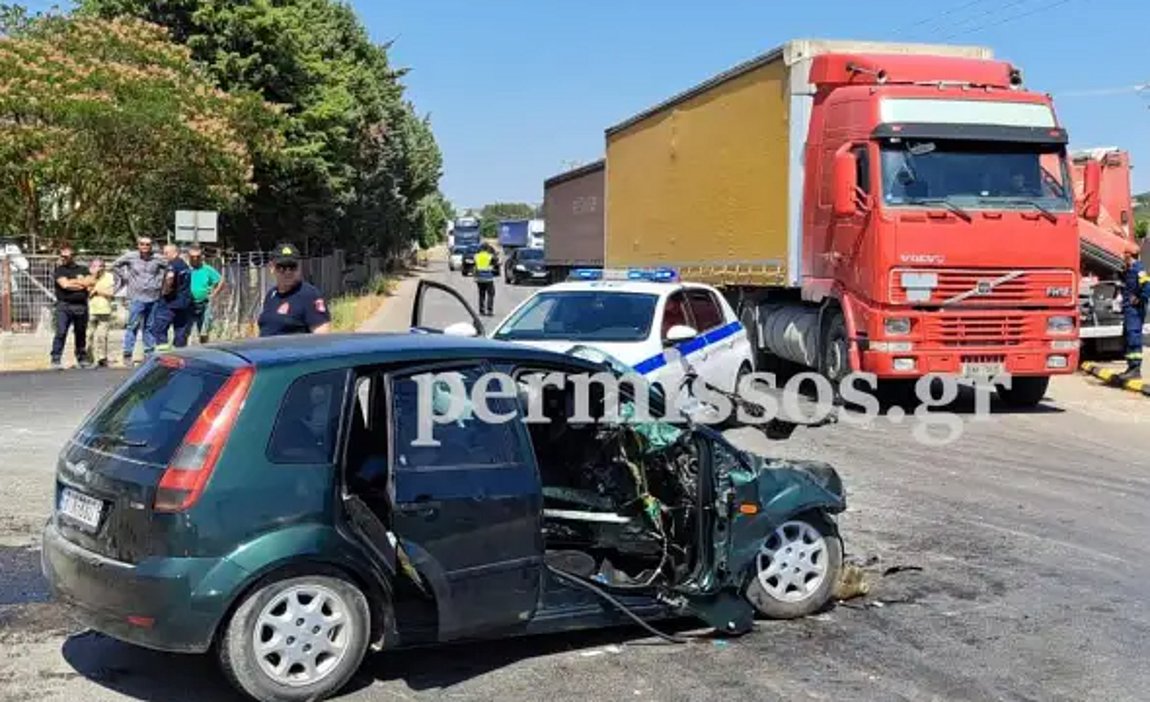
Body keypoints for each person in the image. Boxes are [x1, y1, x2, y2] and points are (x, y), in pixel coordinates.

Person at [112, 236, 168, 366]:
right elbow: (115, 265)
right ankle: (127, 353)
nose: (145, 247)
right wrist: (124, 277)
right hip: (136, 297)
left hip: (153, 297)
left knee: (149, 326)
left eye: (148, 244)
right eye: (142, 244)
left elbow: (170, 267)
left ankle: (149, 353)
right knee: (133, 325)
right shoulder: (131, 256)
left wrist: (160, 281)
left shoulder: (157, 258)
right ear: (138, 245)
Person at [257, 243, 332, 337]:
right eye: (282, 267)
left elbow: (322, 338)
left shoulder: (309, 295)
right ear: (272, 268)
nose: (288, 272)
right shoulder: (271, 295)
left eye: (292, 267)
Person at [50, 244, 92, 370]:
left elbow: (90, 283)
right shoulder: (59, 270)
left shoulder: (83, 269)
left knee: (80, 333)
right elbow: (65, 285)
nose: (64, 259)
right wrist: (80, 283)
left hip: (81, 306)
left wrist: (74, 282)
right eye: (62, 256)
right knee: (61, 332)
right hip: (64, 306)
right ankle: (56, 358)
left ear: (73, 256)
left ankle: (81, 358)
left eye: (67, 256)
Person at [152, 244, 194, 350]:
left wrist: (165, 291)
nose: (164, 255)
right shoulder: (185, 266)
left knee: (159, 329)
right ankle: (179, 354)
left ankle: (164, 354)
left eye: (166, 253)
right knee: (180, 332)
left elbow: (170, 277)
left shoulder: (172, 265)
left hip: (170, 303)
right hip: (183, 304)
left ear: (174, 252)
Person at [1118, 249, 1150, 380]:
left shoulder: (1139, 269)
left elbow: (1147, 286)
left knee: (1134, 337)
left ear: (1129, 255)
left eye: (1123, 254)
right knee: (1128, 337)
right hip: (1129, 309)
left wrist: (1139, 298)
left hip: (1135, 310)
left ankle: (1136, 369)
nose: (1122, 256)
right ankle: (1131, 367)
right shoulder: (1129, 269)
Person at [188, 245, 223, 343]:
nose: (195, 259)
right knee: (186, 330)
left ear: (201, 257)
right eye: (192, 257)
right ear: (189, 257)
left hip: (205, 303)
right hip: (189, 304)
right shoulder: (186, 269)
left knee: (204, 331)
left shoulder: (207, 269)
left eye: (197, 256)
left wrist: (214, 293)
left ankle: (204, 348)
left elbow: (220, 280)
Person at [86, 258, 116, 367]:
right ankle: (88, 359)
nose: (98, 268)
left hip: (104, 310)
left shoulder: (109, 277)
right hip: (90, 310)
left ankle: (102, 358)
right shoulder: (88, 276)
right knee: (88, 335)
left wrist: (98, 291)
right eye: (95, 266)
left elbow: (111, 293)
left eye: (100, 266)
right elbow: (86, 292)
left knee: (102, 336)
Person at [474, 242, 499, 316]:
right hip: (488, 278)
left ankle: (481, 310)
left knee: (481, 294)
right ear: (487, 248)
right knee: (491, 294)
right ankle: (489, 310)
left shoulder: (476, 256)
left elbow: (476, 265)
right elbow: (496, 261)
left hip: (479, 278)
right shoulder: (489, 256)